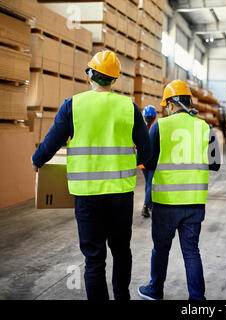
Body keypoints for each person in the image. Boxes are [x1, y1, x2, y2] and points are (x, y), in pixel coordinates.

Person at [31, 50, 152, 300]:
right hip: (120, 193)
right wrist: (132, 162)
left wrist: (37, 160)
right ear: (115, 79)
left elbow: (52, 142)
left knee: (94, 259)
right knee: (121, 251)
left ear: (90, 75)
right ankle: (122, 297)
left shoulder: (73, 105)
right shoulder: (128, 107)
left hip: (87, 196)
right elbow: (147, 151)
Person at [138, 80, 221, 301]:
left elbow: (147, 162)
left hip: (166, 203)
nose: (165, 110)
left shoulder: (160, 127)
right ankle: (197, 299)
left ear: (171, 104)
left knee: (161, 249)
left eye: (166, 106)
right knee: (191, 252)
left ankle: (155, 290)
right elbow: (215, 164)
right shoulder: (205, 127)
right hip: (194, 203)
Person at [139, 105, 157, 218]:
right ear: (154, 116)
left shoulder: (141, 127)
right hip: (152, 161)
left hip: (142, 162)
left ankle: (149, 204)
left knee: (148, 183)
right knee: (150, 184)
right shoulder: (155, 127)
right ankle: (146, 206)